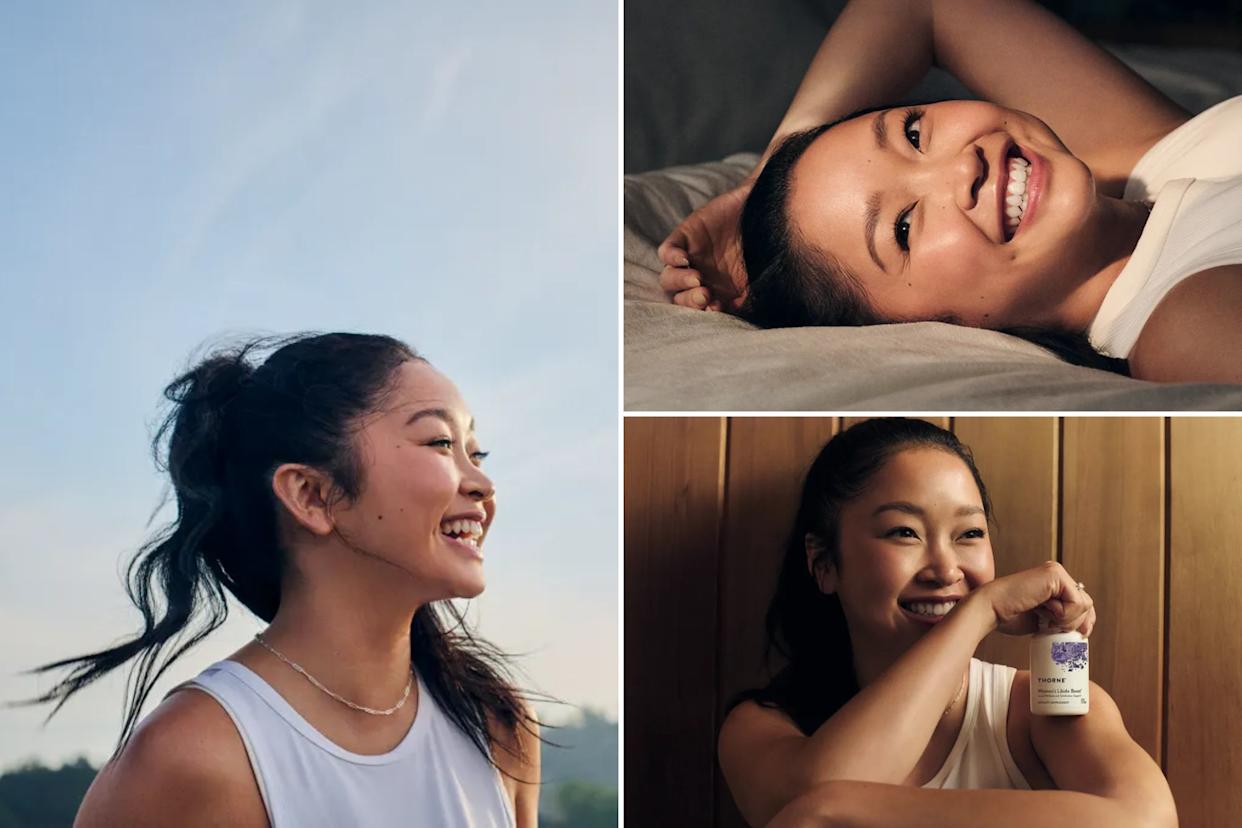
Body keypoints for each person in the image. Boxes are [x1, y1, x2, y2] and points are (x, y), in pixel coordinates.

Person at [22, 333, 539, 827]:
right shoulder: (194, 758)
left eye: (477, 453)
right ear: (311, 495)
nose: (482, 484)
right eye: (440, 441)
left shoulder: (496, 724)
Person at [657, 0, 1242, 382]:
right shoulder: (1185, 326)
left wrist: (767, 176)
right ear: (916, 328)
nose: (963, 171)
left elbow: (922, 8)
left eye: (913, 133)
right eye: (903, 229)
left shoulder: (1143, 159)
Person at [718, 418, 1176, 827]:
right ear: (823, 564)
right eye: (904, 532)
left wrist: (841, 806)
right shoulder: (763, 727)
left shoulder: (1038, 708)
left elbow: (1146, 821)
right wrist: (980, 611)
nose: (945, 570)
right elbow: (806, 806)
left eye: (969, 534)